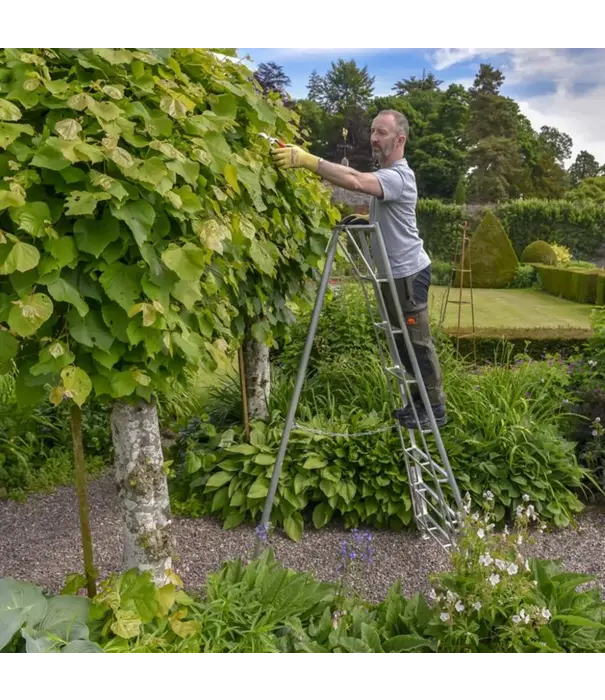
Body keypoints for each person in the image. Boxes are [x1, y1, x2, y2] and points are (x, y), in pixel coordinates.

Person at [271, 109, 447, 430]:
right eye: (373, 132)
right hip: (392, 275)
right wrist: (365, 222)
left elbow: (355, 180)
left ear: (400, 139)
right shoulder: (389, 177)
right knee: (403, 345)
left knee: (417, 344)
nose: (374, 138)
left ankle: (434, 408)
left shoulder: (399, 177)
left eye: (382, 133)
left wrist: (307, 161)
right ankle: (419, 402)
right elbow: (389, 218)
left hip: (408, 274)